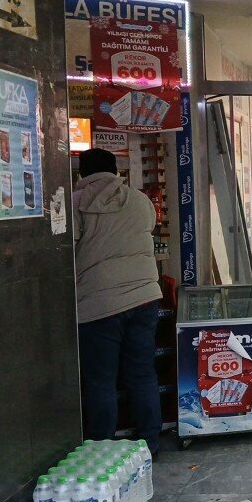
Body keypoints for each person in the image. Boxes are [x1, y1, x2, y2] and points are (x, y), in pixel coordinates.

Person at [73, 149, 162, 454]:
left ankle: (100, 450)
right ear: (114, 171)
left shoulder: (75, 204)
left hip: (98, 303)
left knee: (101, 380)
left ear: (82, 173)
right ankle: (149, 443)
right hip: (144, 297)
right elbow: (147, 229)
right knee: (141, 373)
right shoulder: (139, 200)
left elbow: (64, 247)